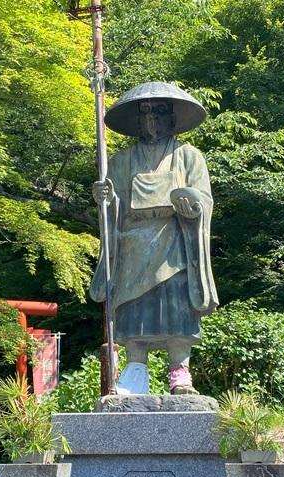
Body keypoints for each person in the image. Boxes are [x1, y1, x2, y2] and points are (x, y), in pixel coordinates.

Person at [90, 82, 218, 395]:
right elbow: (114, 207)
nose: (152, 118)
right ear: (136, 120)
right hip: (133, 243)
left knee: (176, 306)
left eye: (160, 111)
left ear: (173, 118)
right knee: (134, 309)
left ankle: (180, 373)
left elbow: (204, 199)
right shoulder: (120, 162)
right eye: (145, 111)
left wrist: (192, 204)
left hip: (174, 239)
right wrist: (105, 200)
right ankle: (135, 374)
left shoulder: (189, 157)